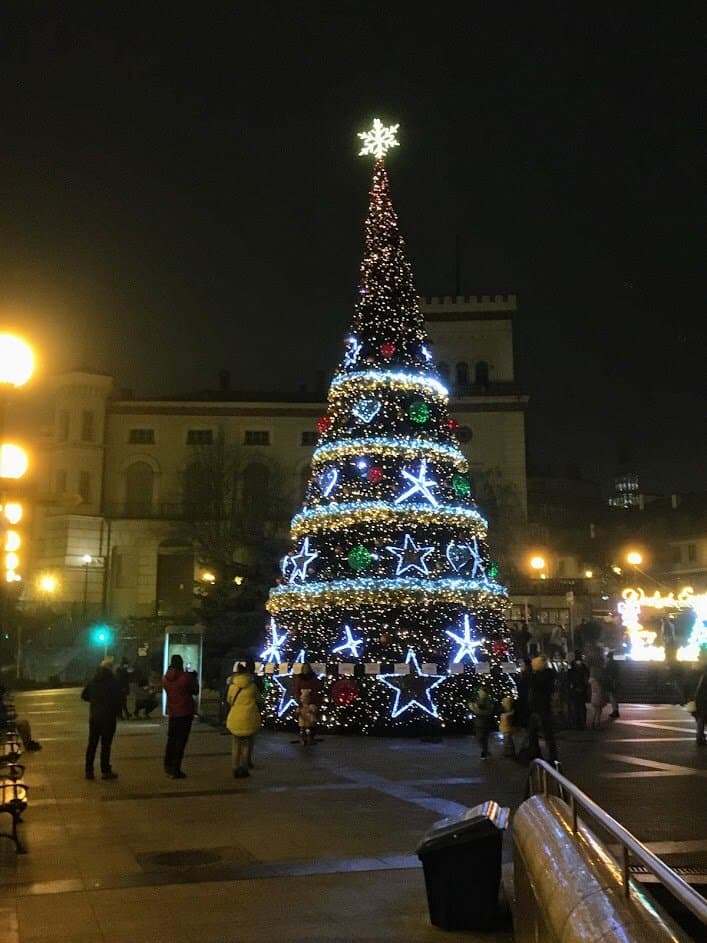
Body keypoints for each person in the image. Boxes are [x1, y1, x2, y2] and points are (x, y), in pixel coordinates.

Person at [81, 656, 122, 780]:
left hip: (95, 717)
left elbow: (84, 696)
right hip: (108, 718)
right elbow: (117, 699)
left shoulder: (93, 680)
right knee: (106, 745)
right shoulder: (113, 681)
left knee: (92, 744)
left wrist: (94, 701)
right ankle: (105, 770)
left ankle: (89, 771)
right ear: (110, 668)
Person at [162, 654, 199, 779]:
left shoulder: (165, 678)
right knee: (180, 742)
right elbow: (195, 690)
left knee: (171, 740)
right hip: (185, 712)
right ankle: (176, 769)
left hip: (172, 712)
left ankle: (168, 765)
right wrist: (194, 678)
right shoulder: (185, 677)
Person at [225, 664, 262, 777]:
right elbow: (259, 699)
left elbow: (229, 700)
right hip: (250, 718)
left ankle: (235, 767)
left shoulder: (232, 686)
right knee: (247, 744)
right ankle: (244, 767)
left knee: (236, 744)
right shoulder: (252, 686)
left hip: (236, 717)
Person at [527, 655, 558, 764]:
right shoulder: (546, 675)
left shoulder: (540, 677)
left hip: (541, 708)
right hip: (541, 707)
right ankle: (547, 756)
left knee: (545, 733)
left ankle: (551, 757)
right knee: (541, 734)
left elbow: (536, 687)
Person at [294, 663, 322, 740]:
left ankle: (311, 736)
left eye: (306, 668)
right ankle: (303, 736)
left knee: (311, 719)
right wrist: (299, 701)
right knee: (302, 719)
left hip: (311, 701)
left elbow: (315, 691)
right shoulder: (299, 678)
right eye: (304, 668)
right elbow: (297, 690)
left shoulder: (313, 678)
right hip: (302, 702)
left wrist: (313, 701)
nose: (305, 670)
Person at [567, 652, 590, 730]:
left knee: (576, 707)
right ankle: (583, 723)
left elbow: (569, 677)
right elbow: (587, 677)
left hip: (574, 688)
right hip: (582, 688)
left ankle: (577, 723)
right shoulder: (584, 666)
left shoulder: (571, 666)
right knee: (582, 706)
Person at [470, 688, 494, 759]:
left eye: (482, 693)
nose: (480, 694)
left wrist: (474, 708)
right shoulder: (479, 700)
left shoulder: (488, 702)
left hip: (484, 722)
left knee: (483, 738)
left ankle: (484, 752)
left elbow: (486, 712)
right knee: (481, 738)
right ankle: (485, 750)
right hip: (479, 722)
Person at [692, 664, 707, 747]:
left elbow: (699, 689)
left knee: (701, 719)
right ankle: (700, 736)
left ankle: (700, 736)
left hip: (702, 700)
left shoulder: (704, 676)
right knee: (702, 719)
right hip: (704, 700)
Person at [604, 651, 620, 719]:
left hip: (611, 681)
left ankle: (615, 711)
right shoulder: (615, 663)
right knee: (614, 697)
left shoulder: (609, 663)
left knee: (612, 697)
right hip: (615, 681)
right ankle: (616, 710)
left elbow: (606, 671)